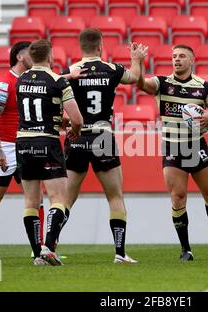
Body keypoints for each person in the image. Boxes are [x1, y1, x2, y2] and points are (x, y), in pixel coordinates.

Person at [137, 44, 208, 261]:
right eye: (174, 56)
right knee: (178, 198)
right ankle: (185, 249)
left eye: (182, 56)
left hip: (197, 146)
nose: (176, 59)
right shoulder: (162, 83)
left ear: (191, 60)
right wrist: (138, 62)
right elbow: (141, 84)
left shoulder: (204, 87)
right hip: (173, 147)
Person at [61, 28, 148, 264]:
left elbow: (54, 101)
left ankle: (49, 246)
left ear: (81, 47)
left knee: (65, 200)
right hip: (102, 136)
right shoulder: (111, 69)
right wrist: (136, 59)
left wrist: (65, 121)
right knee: (115, 197)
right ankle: (120, 253)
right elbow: (134, 77)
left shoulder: (69, 72)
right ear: (100, 45)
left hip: (77, 137)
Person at [0, 41, 48, 259]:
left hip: (26, 146)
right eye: (30, 53)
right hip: (5, 147)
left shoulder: (30, 81)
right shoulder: (5, 83)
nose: (34, 56)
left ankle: (39, 249)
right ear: (20, 57)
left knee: (37, 197)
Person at [15, 39, 84, 265]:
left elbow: (37, 107)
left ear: (31, 57)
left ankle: (37, 255)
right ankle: (48, 247)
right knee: (59, 199)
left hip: (24, 142)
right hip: (47, 141)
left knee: (31, 201)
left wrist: (57, 119)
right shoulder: (58, 82)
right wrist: (73, 130)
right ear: (50, 56)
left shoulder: (21, 80)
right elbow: (77, 119)